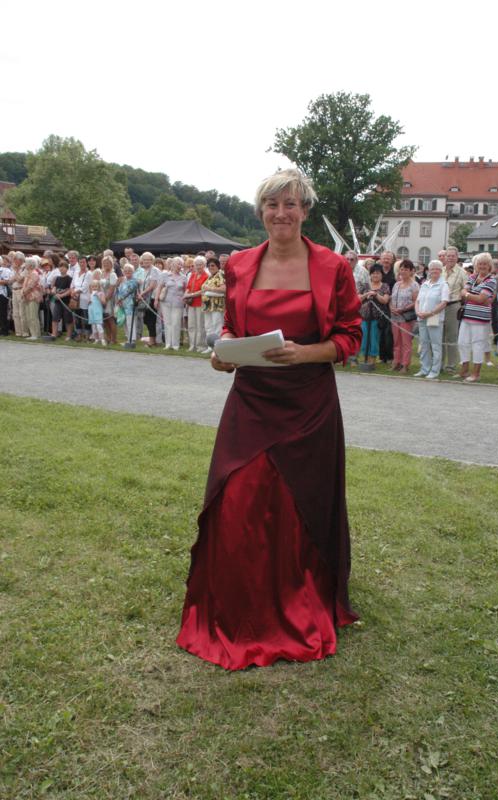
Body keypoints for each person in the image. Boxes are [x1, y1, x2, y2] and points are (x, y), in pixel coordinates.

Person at [177, 168, 362, 671]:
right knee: (238, 495)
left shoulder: (332, 266)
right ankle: (241, 601)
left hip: (309, 404)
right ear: (261, 211)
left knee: (298, 503)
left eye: (291, 204)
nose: (281, 213)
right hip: (252, 399)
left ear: (305, 211)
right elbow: (232, 326)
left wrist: (306, 353)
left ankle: (299, 598)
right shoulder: (239, 264)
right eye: (272, 205)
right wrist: (223, 353)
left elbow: (349, 335)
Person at [456, 252, 497, 383]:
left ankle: (476, 373)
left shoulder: (491, 280)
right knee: (462, 342)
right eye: (480, 264)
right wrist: (471, 295)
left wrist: (468, 295)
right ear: (476, 265)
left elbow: (481, 298)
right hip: (467, 315)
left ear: (489, 266)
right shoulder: (473, 277)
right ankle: (464, 369)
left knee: (477, 345)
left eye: (485, 264)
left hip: (480, 318)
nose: (482, 266)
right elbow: (462, 292)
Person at [414, 260, 449, 379]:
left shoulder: (443, 285)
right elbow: (418, 301)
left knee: (435, 345)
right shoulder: (425, 284)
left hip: (434, 318)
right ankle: (424, 368)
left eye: (437, 268)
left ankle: (434, 370)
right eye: (432, 268)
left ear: (440, 271)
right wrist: (418, 312)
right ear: (428, 270)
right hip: (422, 317)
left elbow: (444, 302)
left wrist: (430, 313)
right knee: (424, 344)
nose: (434, 271)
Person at [389, 259, 418, 373]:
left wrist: (403, 309)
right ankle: (396, 362)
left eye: (406, 269)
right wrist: (391, 307)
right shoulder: (397, 284)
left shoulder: (414, 285)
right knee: (396, 341)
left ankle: (405, 364)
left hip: (406, 317)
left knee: (406, 342)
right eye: (401, 269)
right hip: (394, 317)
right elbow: (391, 299)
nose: (403, 271)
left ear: (411, 271)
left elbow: (416, 302)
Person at [441, 246, 467, 373]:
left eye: (453, 256)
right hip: (439, 307)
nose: (450, 258)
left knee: (451, 336)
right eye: (448, 256)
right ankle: (439, 363)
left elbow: (466, 288)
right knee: (439, 336)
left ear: (457, 257)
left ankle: (451, 365)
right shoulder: (440, 270)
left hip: (453, 306)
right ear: (445, 257)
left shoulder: (462, 272)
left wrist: (463, 293)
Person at [358, 265, 390, 365]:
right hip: (364, 317)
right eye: (373, 273)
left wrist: (376, 294)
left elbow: (385, 300)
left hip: (377, 318)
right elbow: (358, 299)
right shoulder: (365, 285)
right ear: (370, 275)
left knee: (374, 338)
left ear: (381, 275)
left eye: (378, 273)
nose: (375, 275)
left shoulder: (385, 286)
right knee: (364, 337)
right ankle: (365, 357)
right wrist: (366, 294)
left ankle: (372, 359)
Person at [154, 257, 187, 350]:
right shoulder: (165, 275)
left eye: (181, 264)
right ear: (173, 264)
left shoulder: (184, 277)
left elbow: (186, 290)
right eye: (178, 264)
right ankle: (168, 344)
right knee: (167, 323)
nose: (180, 266)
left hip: (178, 303)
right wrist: (156, 299)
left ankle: (175, 345)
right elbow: (159, 287)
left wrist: (185, 299)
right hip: (166, 302)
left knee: (176, 323)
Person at [200, 256, 226, 353]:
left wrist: (209, 289)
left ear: (217, 266)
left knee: (217, 326)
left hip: (217, 305)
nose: (211, 267)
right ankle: (210, 347)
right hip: (208, 306)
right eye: (209, 266)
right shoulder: (210, 276)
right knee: (208, 326)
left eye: (213, 265)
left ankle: (217, 347)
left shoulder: (220, 274)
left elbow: (224, 289)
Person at [183, 256, 208, 351]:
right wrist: (185, 295)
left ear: (204, 265)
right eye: (196, 265)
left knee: (200, 325)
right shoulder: (193, 275)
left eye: (200, 264)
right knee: (191, 325)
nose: (198, 266)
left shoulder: (206, 276)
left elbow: (203, 290)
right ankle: (192, 345)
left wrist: (190, 295)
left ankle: (200, 346)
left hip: (200, 303)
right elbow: (188, 287)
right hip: (191, 303)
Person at [88, 279, 106, 345]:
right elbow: (89, 302)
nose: (94, 288)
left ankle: (102, 339)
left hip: (97, 311)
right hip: (91, 311)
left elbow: (104, 302)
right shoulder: (91, 294)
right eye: (93, 286)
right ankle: (96, 339)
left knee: (99, 326)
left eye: (96, 286)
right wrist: (89, 302)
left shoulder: (101, 293)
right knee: (93, 326)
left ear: (99, 287)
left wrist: (99, 297)